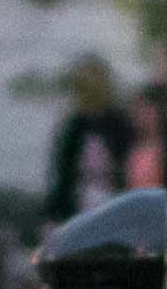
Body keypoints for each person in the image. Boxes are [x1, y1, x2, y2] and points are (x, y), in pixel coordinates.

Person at [42, 55, 148, 225]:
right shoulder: (73, 127)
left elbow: (127, 165)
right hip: (77, 204)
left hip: (112, 201)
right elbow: (62, 175)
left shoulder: (119, 124)